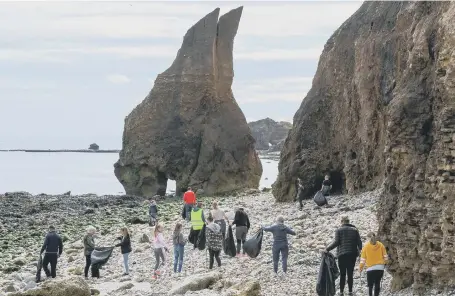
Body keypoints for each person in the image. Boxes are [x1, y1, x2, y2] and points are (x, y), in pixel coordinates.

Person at [325, 216, 362, 296]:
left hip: (342, 255)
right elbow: (359, 243)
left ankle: (341, 292)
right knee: (350, 273)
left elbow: (336, 242)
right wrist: (360, 252)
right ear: (348, 221)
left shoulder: (339, 230)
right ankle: (350, 291)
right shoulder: (355, 230)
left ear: (342, 221)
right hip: (352, 254)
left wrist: (327, 249)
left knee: (342, 274)